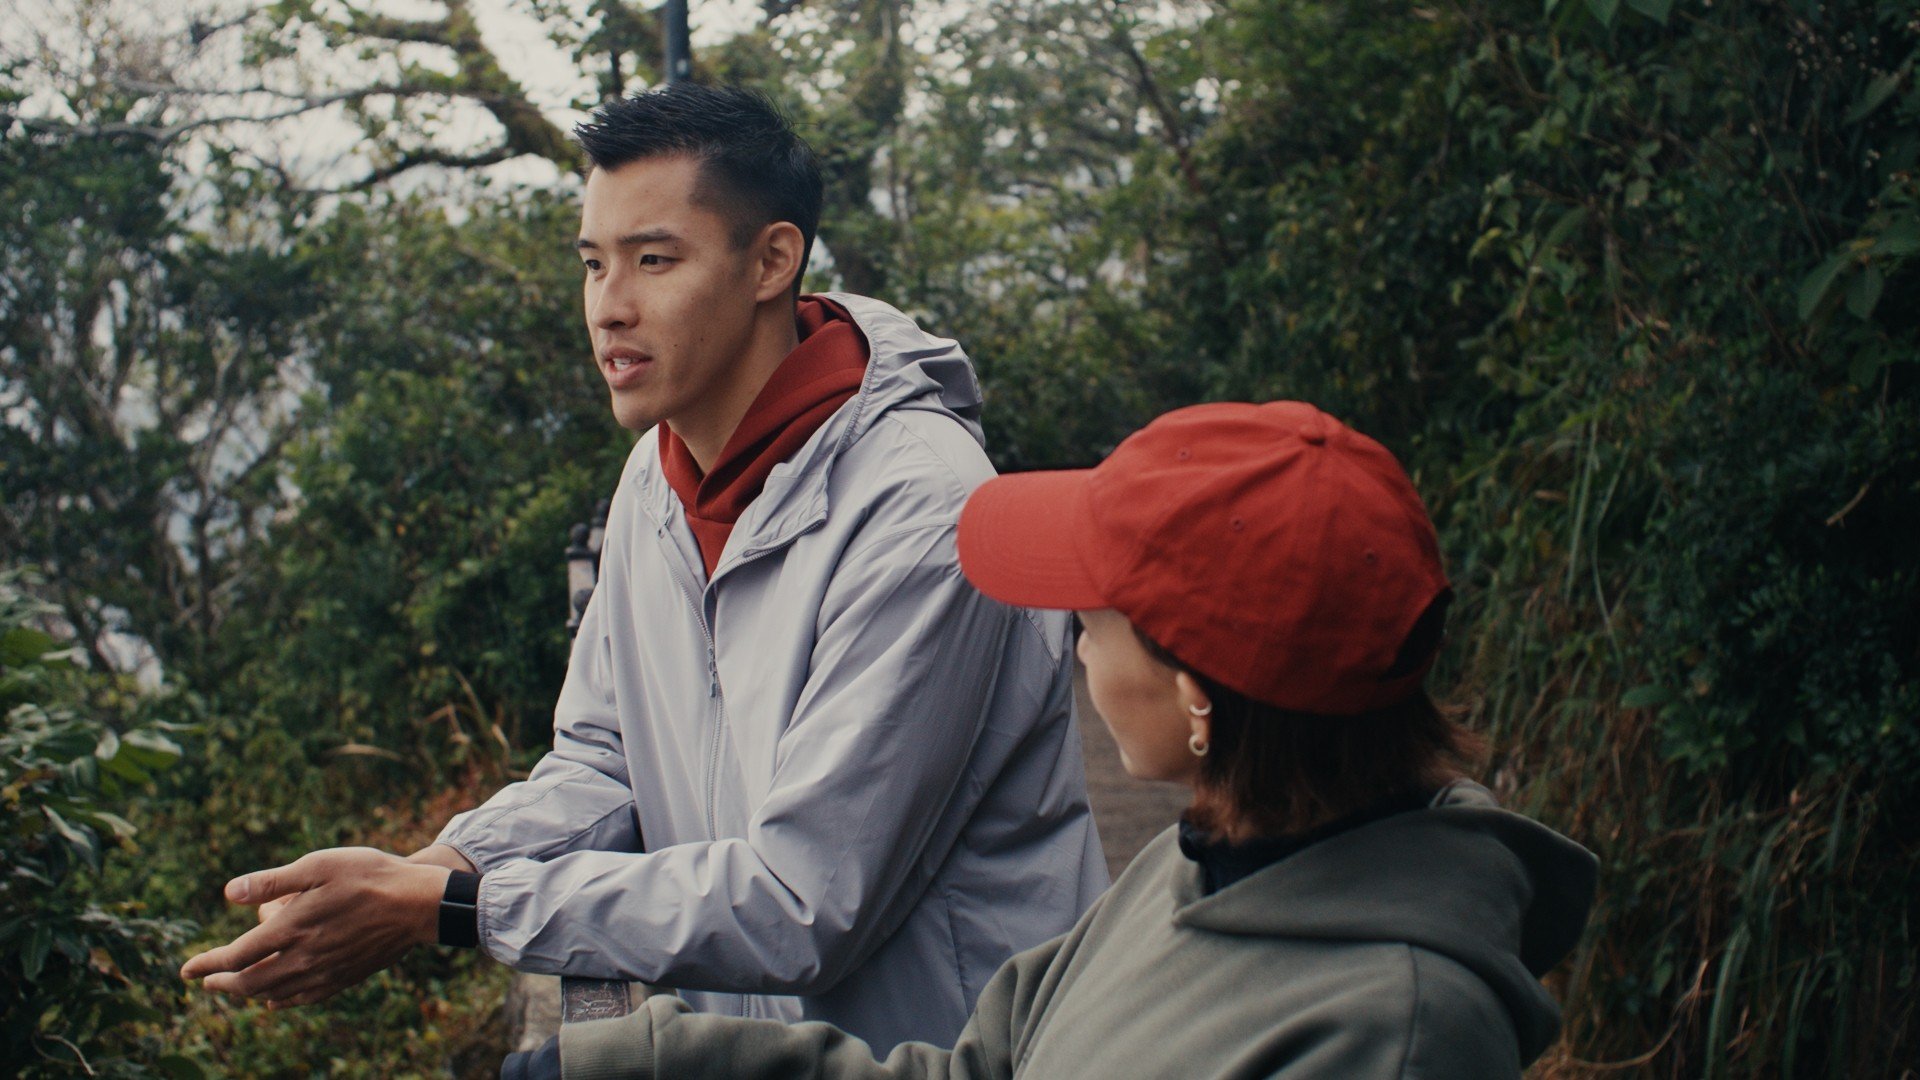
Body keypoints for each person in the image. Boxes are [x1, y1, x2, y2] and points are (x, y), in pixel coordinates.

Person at [179, 83, 1108, 1059]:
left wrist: (453, 908)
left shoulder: (919, 506)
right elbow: (603, 762)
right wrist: (446, 864)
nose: (609, 308)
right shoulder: (658, 480)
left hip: (949, 1052)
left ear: (771, 261)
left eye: (653, 261)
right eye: (593, 265)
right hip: (758, 1055)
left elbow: (804, 901)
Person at [550, 400, 1600, 1079]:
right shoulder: (1200, 866)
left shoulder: (1396, 1037)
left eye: (1089, 621)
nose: (1072, 650)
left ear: (1198, 693)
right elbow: (985, 1072)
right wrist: (642, 1061)